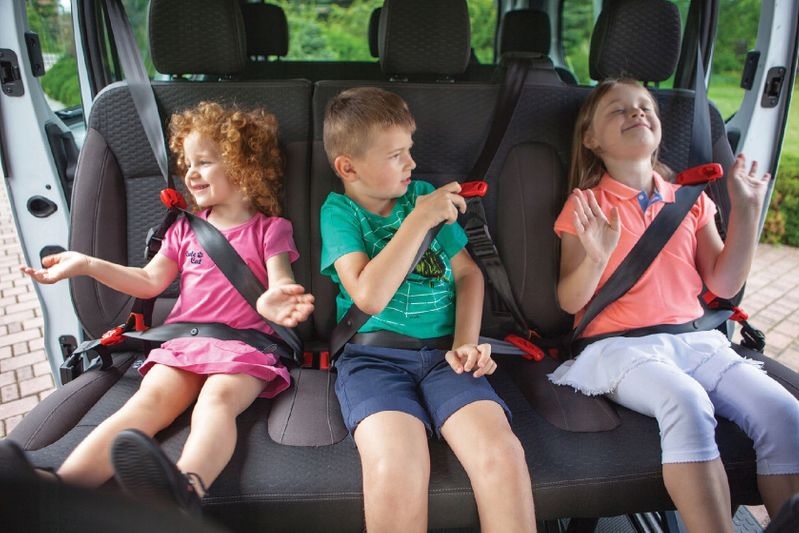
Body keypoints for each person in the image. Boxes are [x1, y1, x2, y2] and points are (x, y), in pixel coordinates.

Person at [17, 101, 314, 512]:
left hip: (245, 347)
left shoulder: (270, 229)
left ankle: (185, 487)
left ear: (244, 166)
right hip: (185, 344)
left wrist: (275, 299)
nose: (190, 173)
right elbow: (148, 280)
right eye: (187, 164)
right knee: (147, 403)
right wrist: (87, 264)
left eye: (204, 162)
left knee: (216, 403)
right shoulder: (183, 229)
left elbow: (280, 279)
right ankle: (64, 486)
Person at [550, 78, 799, 532]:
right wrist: (597, 258)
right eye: (618, 110)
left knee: (784, 415)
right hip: (619, 347)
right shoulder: (587, 204)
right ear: (591, 140)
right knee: (686, 402)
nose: (637, 113)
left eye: (645, 107)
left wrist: (745, 214)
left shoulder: (689, 200)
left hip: (696, 341)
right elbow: (570, 300)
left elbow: (723, 283)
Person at [320, 86, 536, 532]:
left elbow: (468, 274)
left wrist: (465, 343)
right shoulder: (340, 213)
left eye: (410, 150)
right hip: (372, 359)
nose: (412, 163)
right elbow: (368, 296)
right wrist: (420, 219)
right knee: (396, 465)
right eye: (396, 155)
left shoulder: (421, 194)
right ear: (348, 167)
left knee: (500, 453)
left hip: (445, 356)